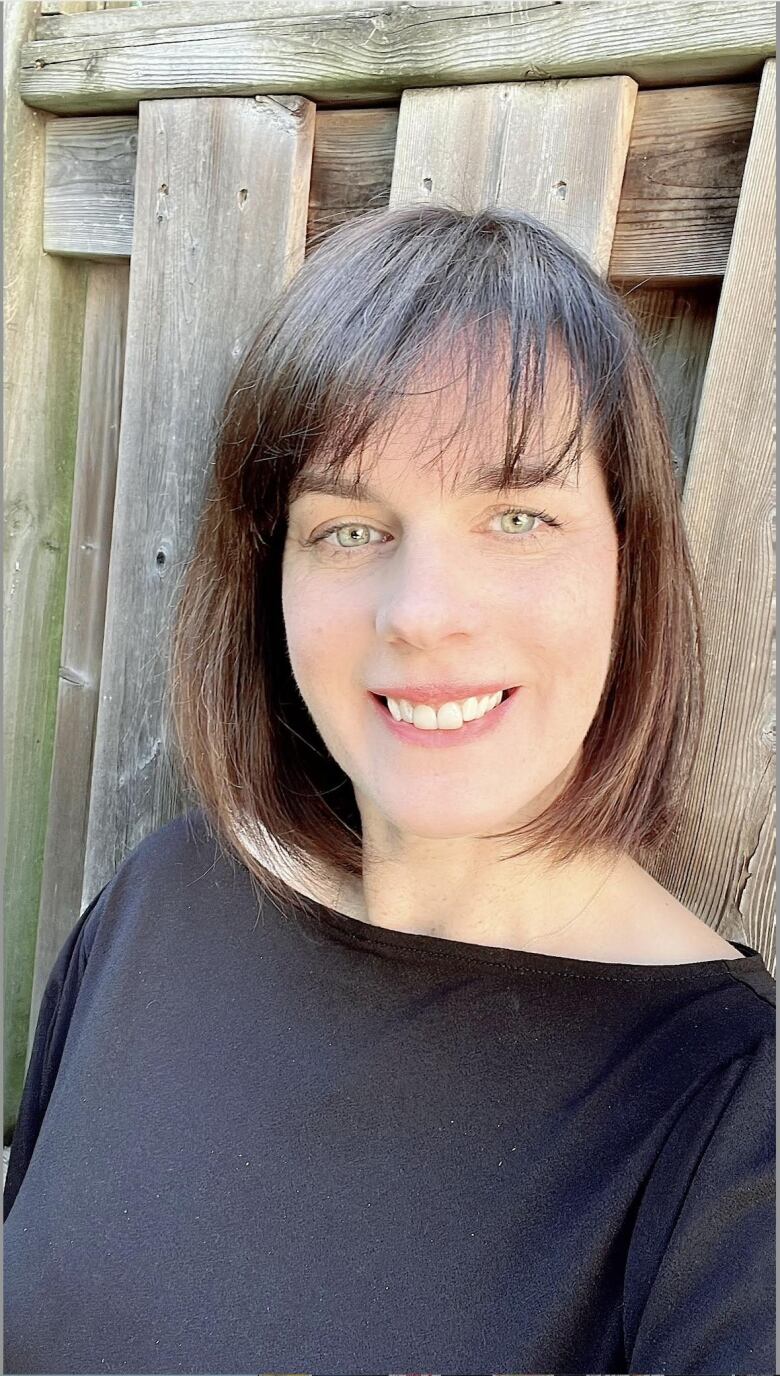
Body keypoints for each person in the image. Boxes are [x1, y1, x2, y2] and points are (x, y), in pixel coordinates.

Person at [4, 204, 774, 1376]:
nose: (421, 612)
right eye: (349, 528)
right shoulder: (165, 901)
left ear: (631, 568)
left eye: (518, 515)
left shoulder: (734, 1127)